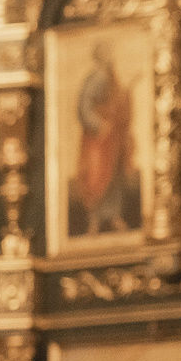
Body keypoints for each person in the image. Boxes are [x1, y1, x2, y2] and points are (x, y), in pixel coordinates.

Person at [73, 41, 136, 236]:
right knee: (97, 175)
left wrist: (129, 92)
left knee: (115, 174)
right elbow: (84, 106)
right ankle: (94, 220)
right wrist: (100, 125)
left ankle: (114, 215)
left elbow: (117, 102)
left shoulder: (111, 77)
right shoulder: (97, 77)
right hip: (99, 139)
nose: (112, 56)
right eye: (108, 53)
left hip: (113, 137)